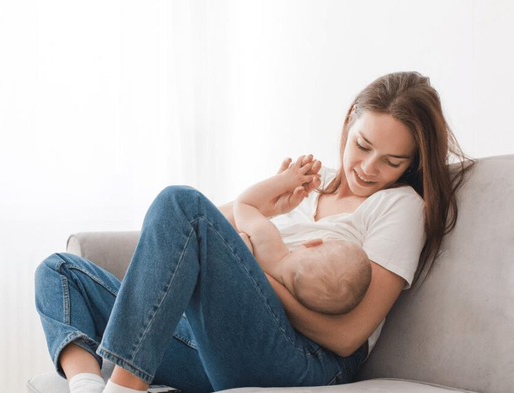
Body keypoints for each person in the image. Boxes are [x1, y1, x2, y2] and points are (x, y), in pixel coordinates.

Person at [34, 71, 474, 393]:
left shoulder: (399, 206)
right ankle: (88, 385)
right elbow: (190, 236)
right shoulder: (308, 182)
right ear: (349, 122)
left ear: (412, 164)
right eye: (362, 145)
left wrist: (261, 271)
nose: (368, 167)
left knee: (178, 199)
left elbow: (347, 337)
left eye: (392, 161)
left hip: (305, 359)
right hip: (224, 345)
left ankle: (123, 388)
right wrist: (263, 201)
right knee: (60, 272)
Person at [233, 154, 371, 315]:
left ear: (312, 243)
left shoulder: (268, 241)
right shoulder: (283, 300)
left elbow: (243, 203)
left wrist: (284, 181)